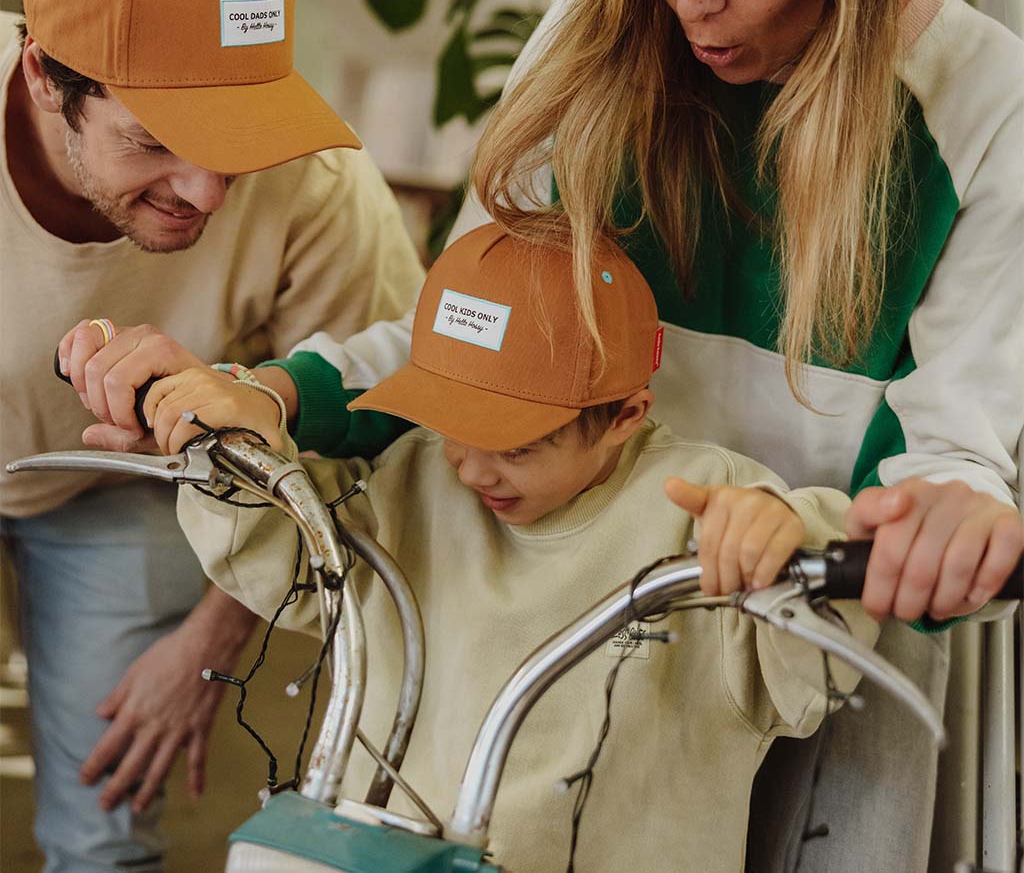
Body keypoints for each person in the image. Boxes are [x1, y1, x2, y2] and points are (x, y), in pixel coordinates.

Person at [62, 0, 1023, 870]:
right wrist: (271, 396)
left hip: (806, 622)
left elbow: (956, 449)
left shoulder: (983, 103)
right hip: (540, 605)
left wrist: (936, 523)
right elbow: (467, 332)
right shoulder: (590, 41)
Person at [136, 222, 876, 873]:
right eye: (453, 425)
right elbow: (290, 566)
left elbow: (813, 665)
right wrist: (224, 452)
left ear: (625, 416)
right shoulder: (418, 474)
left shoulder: (705, 505)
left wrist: (790, 540)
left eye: (515, 448)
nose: (471, 467)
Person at [1, 0, 424, 873]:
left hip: (118, 487)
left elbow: (370, 418)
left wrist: (215, 634)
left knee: (102, 820)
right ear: (42, 80)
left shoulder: (318, 183)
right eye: (152, 142)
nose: (204, 190)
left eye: (234, 140)